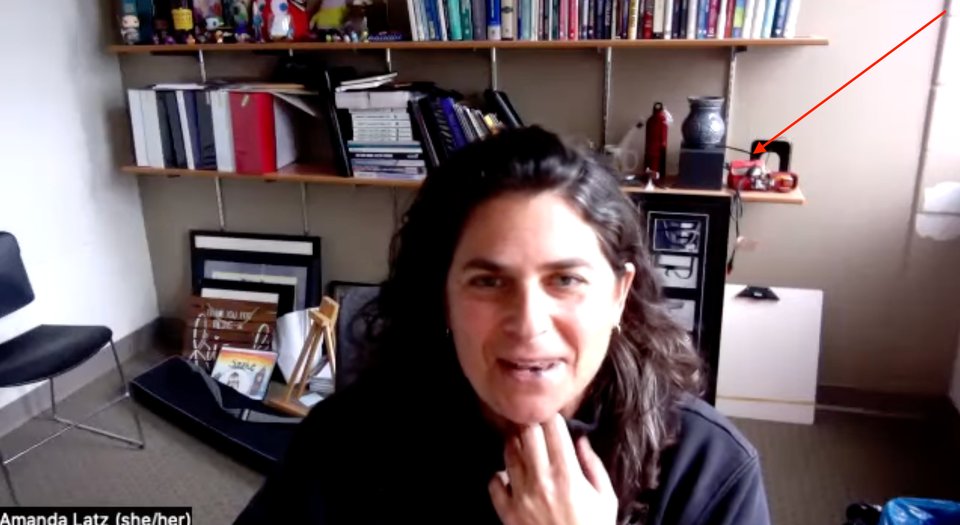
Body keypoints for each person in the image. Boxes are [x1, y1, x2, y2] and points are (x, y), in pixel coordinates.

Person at [234, 126, 770, 525]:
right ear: (442, 297)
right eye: (488, 282)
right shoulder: (346, 442)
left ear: (617, 296)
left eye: (565, 280)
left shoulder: (710, 469)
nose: (528, 325)